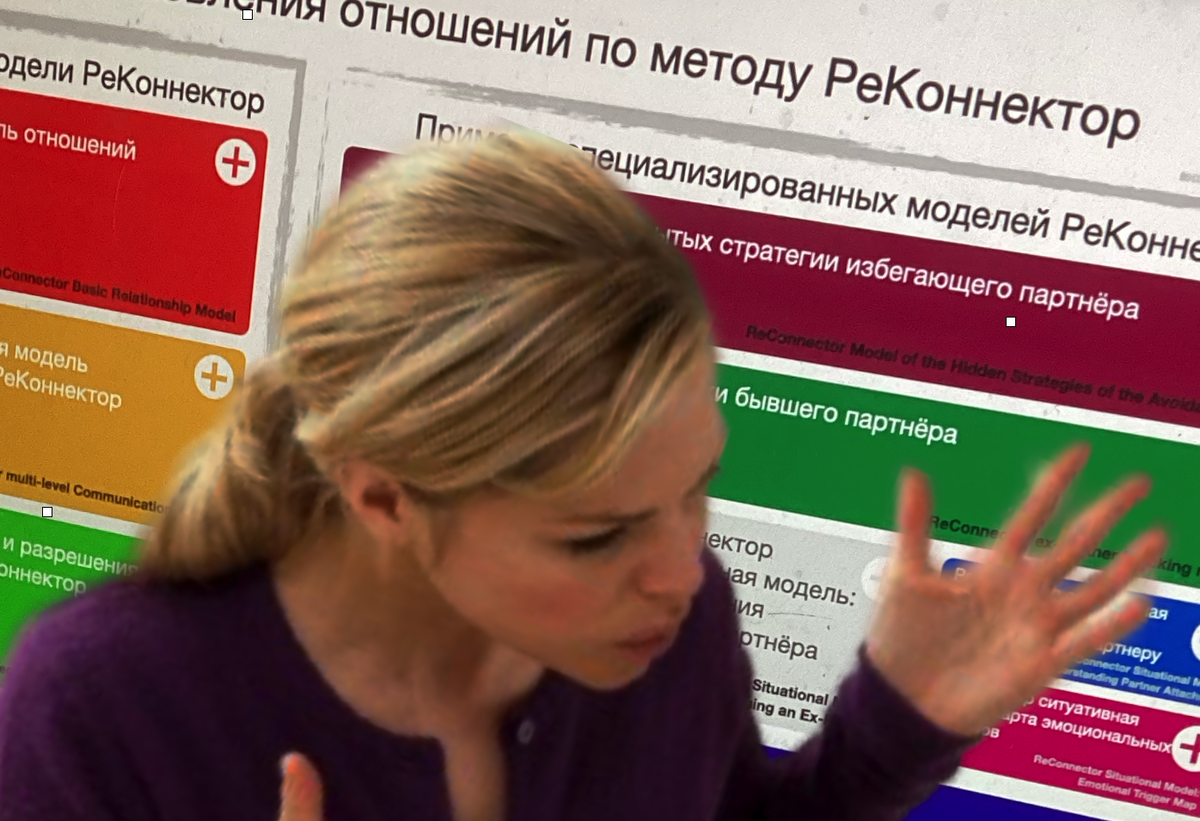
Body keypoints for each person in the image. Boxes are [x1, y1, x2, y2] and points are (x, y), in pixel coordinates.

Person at [0, 132, 1165, 821]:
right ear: (385, 495)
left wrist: (895, 724)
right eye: (596, 534)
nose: (680, 571)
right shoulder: (99, 706)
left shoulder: (670, 626)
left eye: (695, 489)